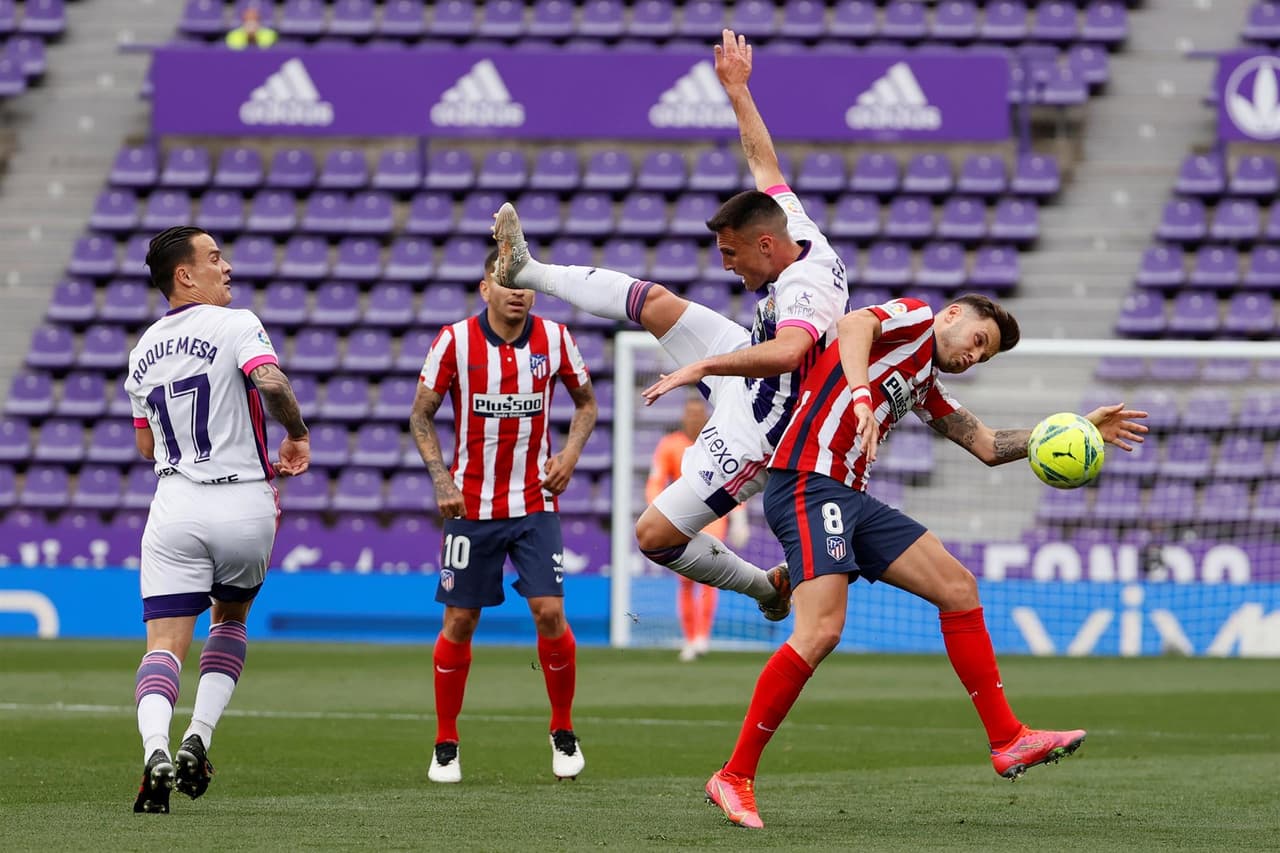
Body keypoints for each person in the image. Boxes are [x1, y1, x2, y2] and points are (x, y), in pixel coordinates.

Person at [703, 294, 1150, 829]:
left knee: (958, 587)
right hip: (806, 483)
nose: (971, 358)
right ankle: (734, 776)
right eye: (978, 342)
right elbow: (852, 323)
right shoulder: (914, 316)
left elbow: (985, 444)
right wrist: (863, 396)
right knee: (821, 630)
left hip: (848, 496)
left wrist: (1072, 428)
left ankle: (1007, 739)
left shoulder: (923, 383)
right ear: (954, 314)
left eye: (982, 360)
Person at [492, 29, 849, 622]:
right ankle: (527, 269)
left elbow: (789, 354)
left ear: (766, 245)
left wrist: (705, 366)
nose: (727, 266)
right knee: (654, 301)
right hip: (749, 358)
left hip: (767, 428)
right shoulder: (793, 226)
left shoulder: (806, 289)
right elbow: (764, 161)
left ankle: (766, 588)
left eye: (732, 255)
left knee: (653, 536)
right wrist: (738, 90)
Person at [125, 226, 310, 814]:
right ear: (185, 275)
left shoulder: (141, 353)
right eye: (214, 258)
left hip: (175, 503)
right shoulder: (237, 324)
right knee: (230, 619)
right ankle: (197, 737)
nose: (225, 266)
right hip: (244, 501)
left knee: (163, 645)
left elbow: (144, 447)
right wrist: (297, 433)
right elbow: (269, 380)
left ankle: (155, 748)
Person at [411, 248, 598, 784]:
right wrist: (442, 480)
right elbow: (421, 415)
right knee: (461, 621)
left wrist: (568, 455)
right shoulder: (454, 341)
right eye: (505, 280)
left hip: (535, 503)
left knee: (549, 612)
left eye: (524, 281)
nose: (517, 290)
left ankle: (562, 729)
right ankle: (446, 740)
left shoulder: (556, 340)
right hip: (471, 505)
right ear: (484, 288)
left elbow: (585, 404)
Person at [646, 395, 750, 661]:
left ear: (705, 416)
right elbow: (655, 482)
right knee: (685, 581)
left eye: (698, 412)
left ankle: (702, 636)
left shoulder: (715, 445)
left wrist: (740, 518)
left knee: (707, 576)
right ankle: (691, 638)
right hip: (679, 518)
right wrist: (656, 511)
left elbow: (732, 482)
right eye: (689, 412)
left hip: (713, 517)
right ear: (683, 416)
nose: (693, 417)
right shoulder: (669, 446)